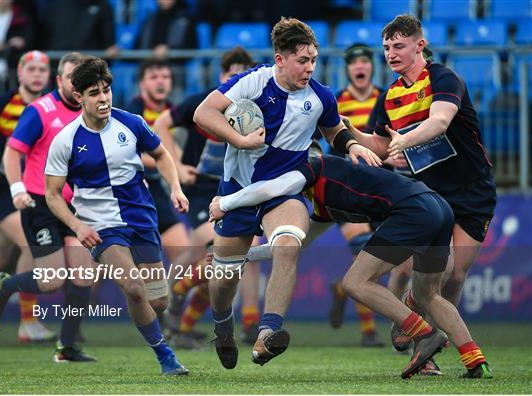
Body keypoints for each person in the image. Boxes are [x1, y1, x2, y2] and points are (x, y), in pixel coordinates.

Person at [208, 143, 492, 379]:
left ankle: (425, 334)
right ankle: (475, 361)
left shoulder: (314, 165)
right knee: (429, 294)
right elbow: (294, 246)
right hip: (437, 206)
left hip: (414, 210)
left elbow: (270, 188)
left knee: (355, 282)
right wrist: (243, 256)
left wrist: (226, 203)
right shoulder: (320, 202)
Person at [193, 17, 380, 369]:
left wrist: (352, 145)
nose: (310, 68)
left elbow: (334, 130)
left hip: (285, 190)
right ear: (280, 59)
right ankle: (223, 327)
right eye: (302, 60)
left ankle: (268, 334)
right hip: (239, 188)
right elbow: (204, 113)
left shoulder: (320, 95)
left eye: (313, 60)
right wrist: (240, 139)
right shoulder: (253, 81)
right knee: (222, 281)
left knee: (289, 243)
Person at [344, 15, 497, 378]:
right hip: (432, 195)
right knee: (435, 275)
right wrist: (341, 128)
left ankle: (414, 311)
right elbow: (379, 145)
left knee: (455, 277)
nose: (391, 54)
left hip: (473, 190)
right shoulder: (390, 95)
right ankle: (428, 351)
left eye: (398, 46)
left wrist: (404, 141)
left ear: (419, 46)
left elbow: (439, 122)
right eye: (386, 48)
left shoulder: (443, 78)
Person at [44, 56, 189, 375]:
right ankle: (166, 357)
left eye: (106, 90)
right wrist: (77, 225)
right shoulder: (65, 141)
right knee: (135, 289)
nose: (103, 98)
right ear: (79, 96)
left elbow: (162, 154)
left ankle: (152, 327)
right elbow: (52, 195)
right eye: (94, 92)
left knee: (157, 301)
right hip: (101, 228)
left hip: (142, 220)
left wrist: (175, 188)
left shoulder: (132, 123)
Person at [153, 46, 261, 348]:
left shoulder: (253, 110)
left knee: (246, 252)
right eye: (230, 74)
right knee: (208, 249)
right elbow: (161, 124)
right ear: (221, 76)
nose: (235, 81)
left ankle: (250, 324)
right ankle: (168, 297)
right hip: (201, 190)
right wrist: (175, 162)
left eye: (242, 75)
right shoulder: (203, 103)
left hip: (235, 190)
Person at [0, 52, 97, 363]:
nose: (77, 85)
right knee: (52, 280)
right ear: (60, 81)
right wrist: (17, 190)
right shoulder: (39, 111)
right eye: (71, 78)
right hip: (39, 204)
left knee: (84, 274)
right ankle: (5, 285)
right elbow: (12, 153)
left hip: (73, 205)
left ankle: (66, 348)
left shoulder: (93, 111)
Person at [0, 50, 55, 343]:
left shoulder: (49, 108)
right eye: (31, 68)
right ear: (20, 73)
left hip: (30, 192)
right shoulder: (2, 105)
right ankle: (28, 324)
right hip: (0, 191)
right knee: (31, 243)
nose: (37, 74)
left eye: (42, 69)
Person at [326, 43, 386, 347]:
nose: (360, 66)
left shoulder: (384, 98)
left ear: (371, 67)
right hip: (349, 186)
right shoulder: (336, 101)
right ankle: (369, 332)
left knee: (379, 259)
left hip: (384, 186)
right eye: (354, 62)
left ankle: (341, 289)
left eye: (365, 61)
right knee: (363, 250)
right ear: (348, 69)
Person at [124, 58, 190, 266]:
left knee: (185, 256)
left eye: (165, 77)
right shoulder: (131, 112)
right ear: (142, 83)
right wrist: (169, 163)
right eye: (153, 77)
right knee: (102, 267)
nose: (160, 82)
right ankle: (85, 300)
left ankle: (176, 297)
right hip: (129, 190)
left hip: (160, 190)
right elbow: (125, 156)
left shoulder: (175, 113)